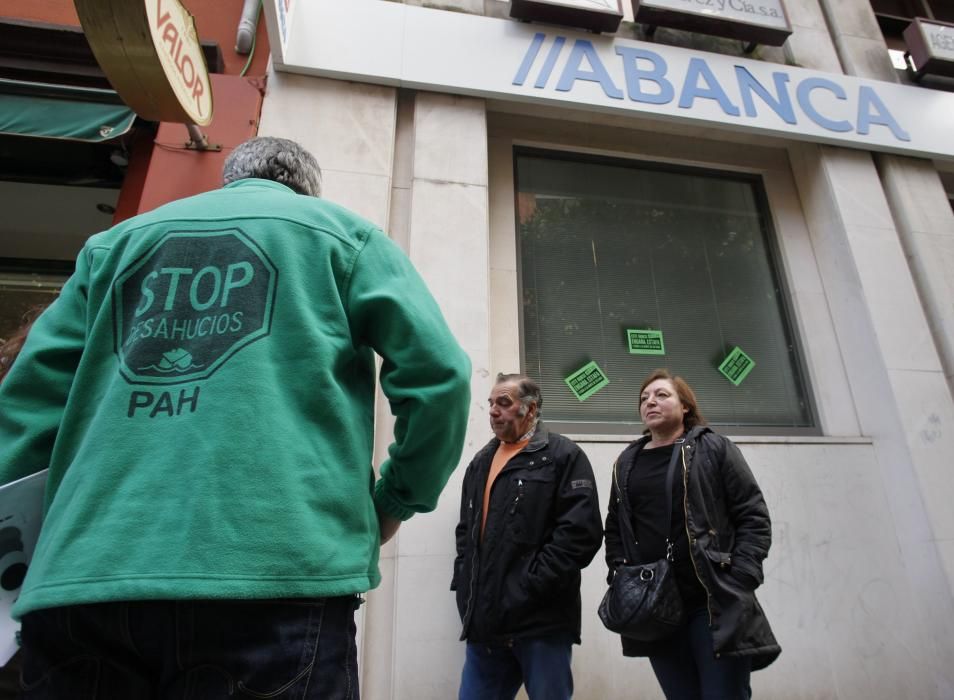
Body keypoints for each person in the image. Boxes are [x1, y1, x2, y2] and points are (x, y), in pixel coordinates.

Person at [0, 136, 472, 699]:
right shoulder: (341, 235)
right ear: (306, 190)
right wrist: (395, 501)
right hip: (274, 577)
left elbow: (27, 407)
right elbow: (441, 376)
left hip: (84, 579)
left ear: (228, 181)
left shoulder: (113, 246)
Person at [604, 368, 780, 699]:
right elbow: (615, 524)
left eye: (661, 395)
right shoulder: (626, 461)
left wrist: (742, 574)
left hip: (713, 600)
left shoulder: (713, 448)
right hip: (656, 607)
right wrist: (619, 570)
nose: (650, 402)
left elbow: (752, 514)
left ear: (685, 405)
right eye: (644, 399)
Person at [452, 373, 602, 700]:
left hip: (540, 623)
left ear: (530, 410)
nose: (493, 410)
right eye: (491, 403)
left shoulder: (562, 456)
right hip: (485, 624)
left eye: (504, 403)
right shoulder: (480, 463)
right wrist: (464, 584)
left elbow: (580, 534)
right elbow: (466, 533)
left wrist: (529, 585)